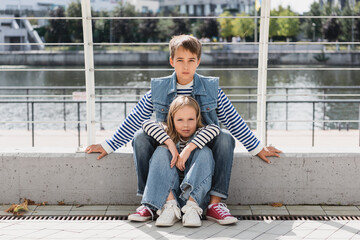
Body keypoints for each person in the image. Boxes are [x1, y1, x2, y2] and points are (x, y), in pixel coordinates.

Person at [85, 34, 281, 225]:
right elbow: (135, 119)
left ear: (199, 61)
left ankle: (215, 204)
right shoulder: (158, 88)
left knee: (225, 138)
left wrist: (257, 148)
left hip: (201, 147)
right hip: (167, 145)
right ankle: (151, 203)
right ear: (171, 61)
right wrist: (108, 145)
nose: (185, 66)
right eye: (180, 60)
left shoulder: (212, 89)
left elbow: (234, 120)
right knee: (140, 138)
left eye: (191, 60)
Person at [131, 96, 219, 227]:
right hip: (167, 196)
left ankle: (192, 209)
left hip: (193, 196)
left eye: (191, 119)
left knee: (205, 152)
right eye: (180, 120)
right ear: (172, 119)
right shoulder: (166, 132)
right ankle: (170, 208)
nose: (185, 125)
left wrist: (189, 148)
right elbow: (146, 124)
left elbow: (215, 129)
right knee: (161, 151)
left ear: (197, 119)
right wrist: (170, 144)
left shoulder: (201, 132)